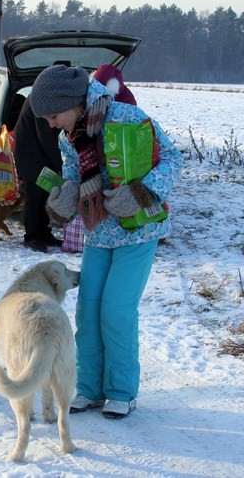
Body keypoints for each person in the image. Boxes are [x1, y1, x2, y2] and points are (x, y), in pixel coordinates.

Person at [28, 65, 182, 419]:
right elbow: (71, 176)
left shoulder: (127, 116)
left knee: (116, 310)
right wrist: (63, 199)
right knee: (88, 310)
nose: (51, 123)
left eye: (53, 115)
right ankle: (90, 388)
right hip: (97, 233)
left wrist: (143, 192)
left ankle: (121, 391)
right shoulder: (68, 136)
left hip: (137, 232)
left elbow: (173, 158)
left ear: (74, 102)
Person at [12, 96, 62, 252]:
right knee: (34, 197)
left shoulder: (45, 99)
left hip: (41, 157)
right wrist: (60, 162)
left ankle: (44, 233)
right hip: (30, 157)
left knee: (46, 195)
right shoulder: (39, 101)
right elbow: (45, 135)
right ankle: (32, 237)